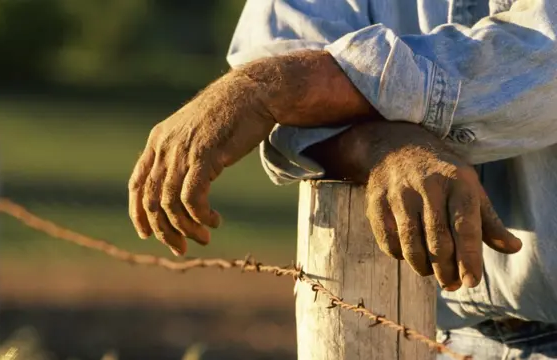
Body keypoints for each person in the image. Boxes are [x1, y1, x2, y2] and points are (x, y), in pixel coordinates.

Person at [127, 0, 557, 358]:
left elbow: (544, 55)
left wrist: (289, 86)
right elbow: (282, 44)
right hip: (430, 339)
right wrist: (381, 145)